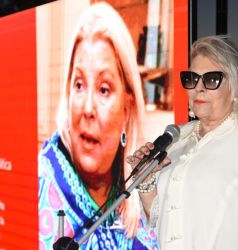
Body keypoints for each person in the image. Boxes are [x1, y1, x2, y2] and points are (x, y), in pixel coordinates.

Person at [38, 2, 158, 249]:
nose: (88, 109)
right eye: (79, 85)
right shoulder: (40, 188)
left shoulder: (145, 192)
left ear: (127, 107)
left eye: (104, 89)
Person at [127, 35, 238, 250]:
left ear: (235, 86)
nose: (198, 88)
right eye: (192, 79)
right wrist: (145, 180)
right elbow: (160, 216)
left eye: (211, 80)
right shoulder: (177, 137)